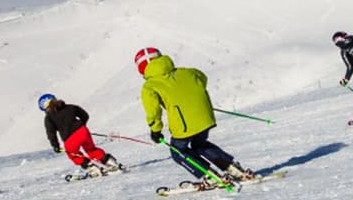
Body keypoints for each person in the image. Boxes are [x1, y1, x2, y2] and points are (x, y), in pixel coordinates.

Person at [135, 47, 257, 183]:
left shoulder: (150, 86)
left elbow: (153, 112)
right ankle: (234, 169)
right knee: (200, 145)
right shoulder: (189, 72)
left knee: (178, 151)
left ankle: (209, 175)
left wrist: (155, 131)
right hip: (205, 117)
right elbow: (202, 79)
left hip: (184, 125)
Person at [39, 93, 122, 173]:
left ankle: (92, 168)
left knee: (73, 154)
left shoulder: (49, 118)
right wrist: (81, 127)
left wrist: (55, 146)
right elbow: (85, 115)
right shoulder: (70, 107)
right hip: (83, 131)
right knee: (91, 149)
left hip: (70, 139)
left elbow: (51, 133)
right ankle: (110, 162)